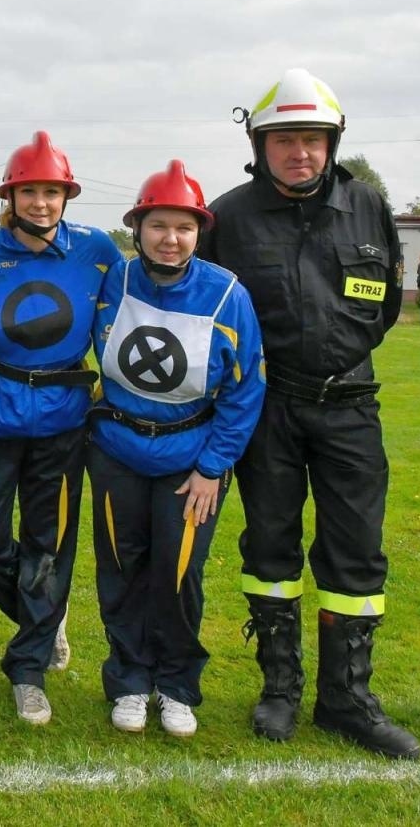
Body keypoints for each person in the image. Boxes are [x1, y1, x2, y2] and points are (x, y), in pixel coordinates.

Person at [202, 68, 419, 760]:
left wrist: (339, 361)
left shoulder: (369, 207)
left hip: (352, 406)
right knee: (269, 547)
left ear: (332, 143)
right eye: (286, 140)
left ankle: (347, 698)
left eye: (313, 140)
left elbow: (383, 302)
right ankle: (280, 689)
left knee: (356, 550)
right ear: (260, 145)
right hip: (268, 409)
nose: (301, 152)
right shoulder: (228, 217)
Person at [88, 161, 265, 737]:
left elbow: (244, 390)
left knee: (179, 572)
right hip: (116, 453)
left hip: (190, 465)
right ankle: (131, 681)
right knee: (121, 570)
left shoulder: (226, 294)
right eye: (158, 226)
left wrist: (214, 466)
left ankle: (178, 685)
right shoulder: (112, 280)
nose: (170, 239)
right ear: (137, 228)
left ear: (199, 232)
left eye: (183, 228)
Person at [0, 132, 122, 725]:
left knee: (48, 547)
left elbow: (129, 319)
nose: (42, 203)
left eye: (52, 192)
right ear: (11, 195)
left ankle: (28, 669)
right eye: (30, 191)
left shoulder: (99, 252)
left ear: (65, 196)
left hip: (64, 423)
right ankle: (45, 617)